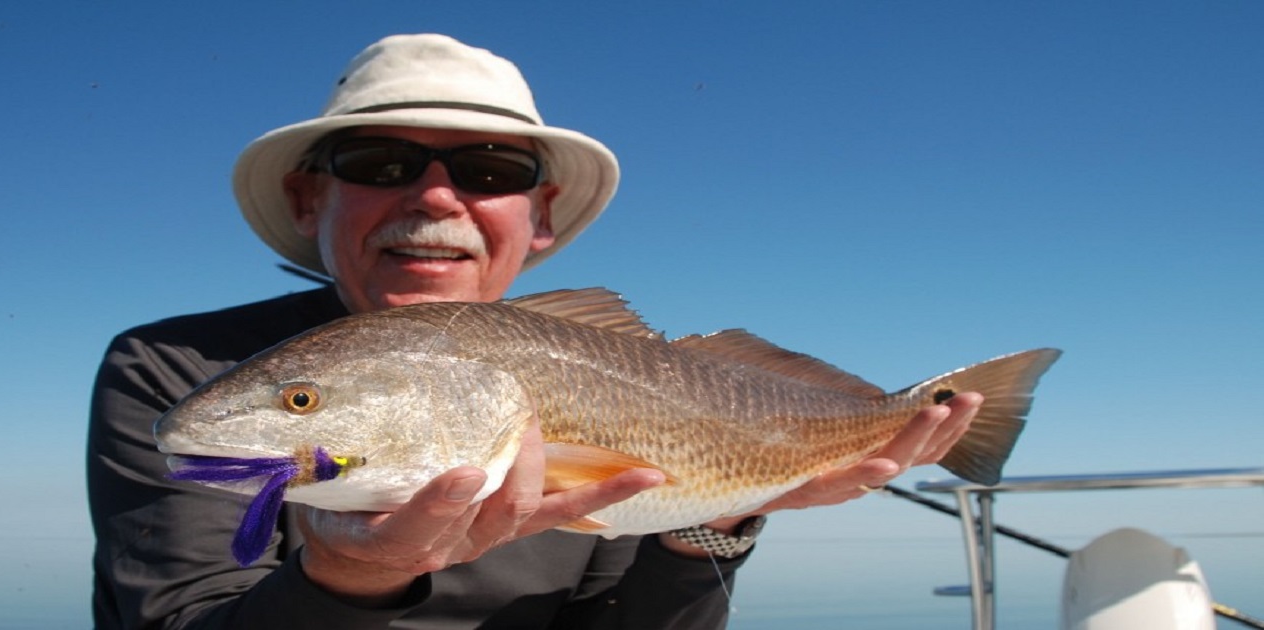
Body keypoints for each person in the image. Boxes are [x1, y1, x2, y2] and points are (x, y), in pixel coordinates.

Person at [86, 33, 984, 629]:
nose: (435, 197)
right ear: (306, 197)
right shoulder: (178, 370)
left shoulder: (620, 371)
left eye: (487, 168)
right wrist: (351, 576)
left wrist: (715, 520)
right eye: (380, 161)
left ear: (540, 216)